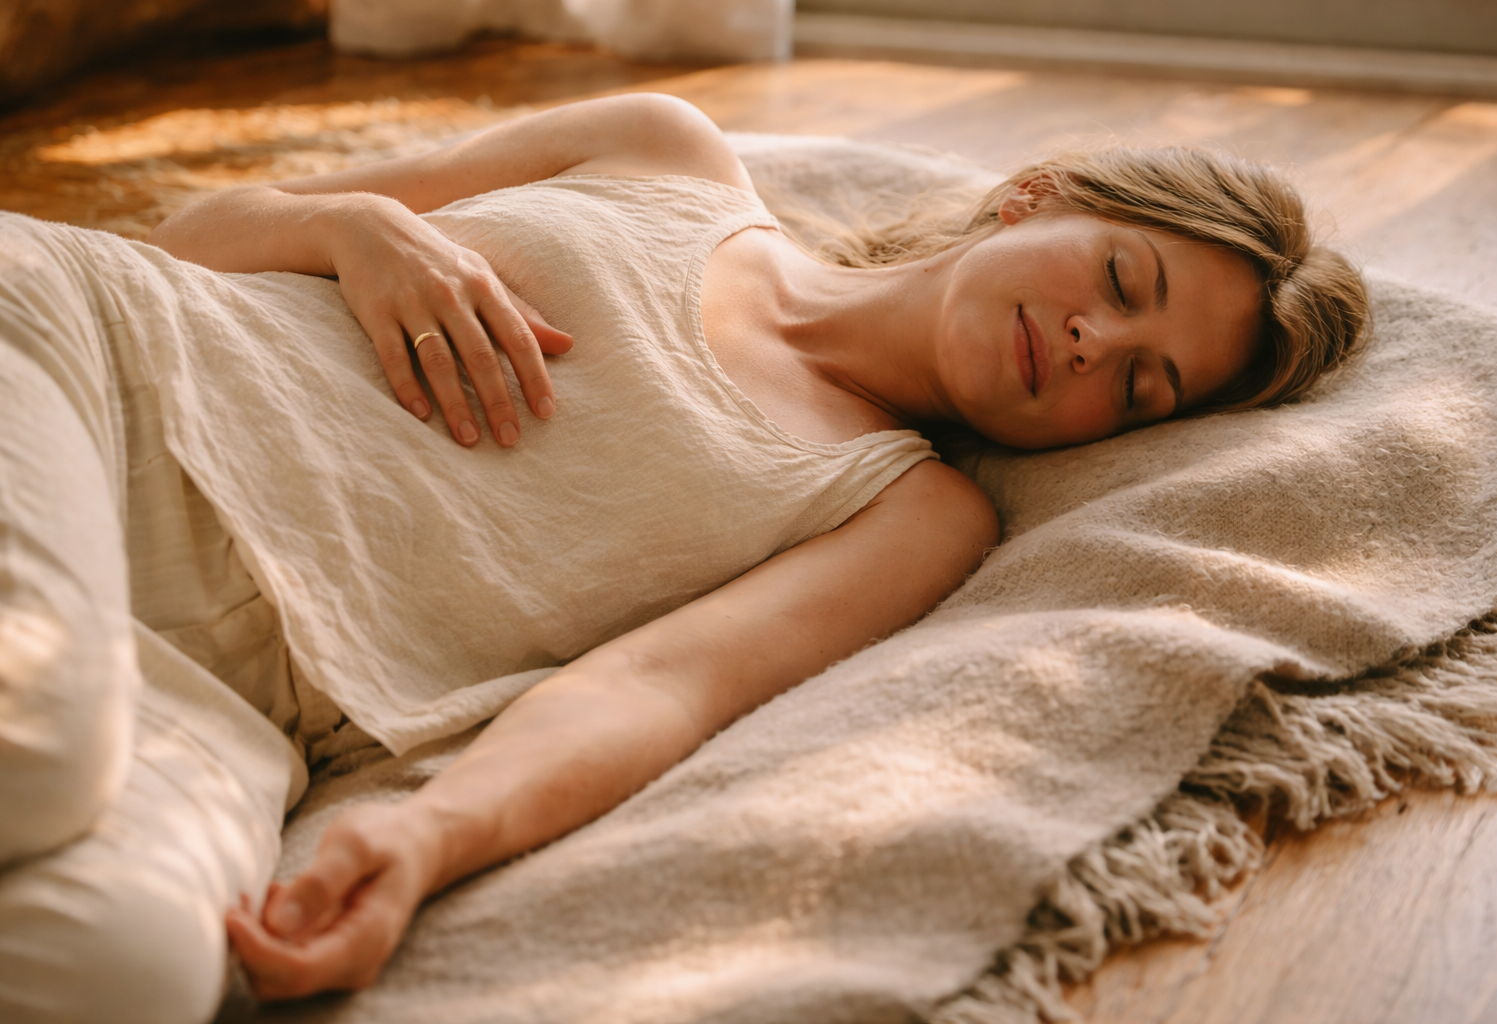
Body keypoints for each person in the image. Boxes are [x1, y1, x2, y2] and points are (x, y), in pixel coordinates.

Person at [0, 93, 1367, 1022]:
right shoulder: (665, 152)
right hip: (99, 376)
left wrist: (423, 835)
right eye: (1121, 283)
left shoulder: (915, 517)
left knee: (125, 974)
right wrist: (355, 228)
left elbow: (653, 688)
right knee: (42, 745)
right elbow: (189, 236)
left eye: (1137, 386)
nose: (1090, 347)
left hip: (235, 701)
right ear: (1034, 200)